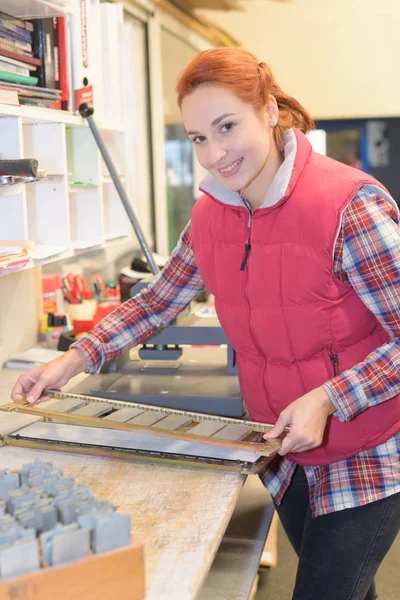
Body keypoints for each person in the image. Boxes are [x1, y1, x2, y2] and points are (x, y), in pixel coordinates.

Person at [11, 48, 399, 599]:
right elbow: (156, 302)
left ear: (268, 110)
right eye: (197, 138)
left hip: (368, 449)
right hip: (283, 449)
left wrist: (330, 398)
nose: (214, 154)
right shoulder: (211, 215)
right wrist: (71, 359)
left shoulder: (348, 206)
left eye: (226, 126)